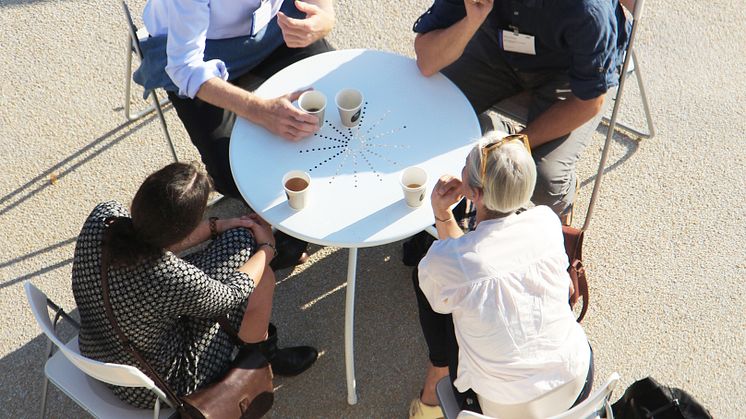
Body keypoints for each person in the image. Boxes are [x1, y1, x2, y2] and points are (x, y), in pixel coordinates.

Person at [71, 162, 317, 408]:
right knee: (261, 278)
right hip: (156, 384)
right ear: (183, 230)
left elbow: (151, 242)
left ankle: (261, 257)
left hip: (95, 347)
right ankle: (261, 359)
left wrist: (218, 226)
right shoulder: (169, 276)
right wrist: (267, 249)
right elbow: (231, 295)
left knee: (243, 242)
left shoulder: (103, 216)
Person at [133, 0, 337, 267]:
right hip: (195, 50)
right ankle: (284, 221)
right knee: (231, 171)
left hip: (274, 27)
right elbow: (184, 67)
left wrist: (324, 19)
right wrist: (260, 110)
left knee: (333, 107)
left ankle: (305, 207)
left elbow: (318, 6)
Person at [408, 132, 593, 419]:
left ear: (475, 194)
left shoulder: (446, 262)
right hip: (577, 383)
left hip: (503, 408)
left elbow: (456, 273)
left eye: (466, 167)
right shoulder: (546, 222)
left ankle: (436, 380)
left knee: (437, 292)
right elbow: (472, 262)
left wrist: (442, 214)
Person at [412, 0, 630, 222]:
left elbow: (589, 102)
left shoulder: (587, 9)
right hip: (496, 45)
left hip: (567, 69)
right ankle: (493, 134)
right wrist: (472, 20)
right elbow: (427, 60)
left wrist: (515, 142)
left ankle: (562, 217)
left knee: (545, 179)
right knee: (431, 114)